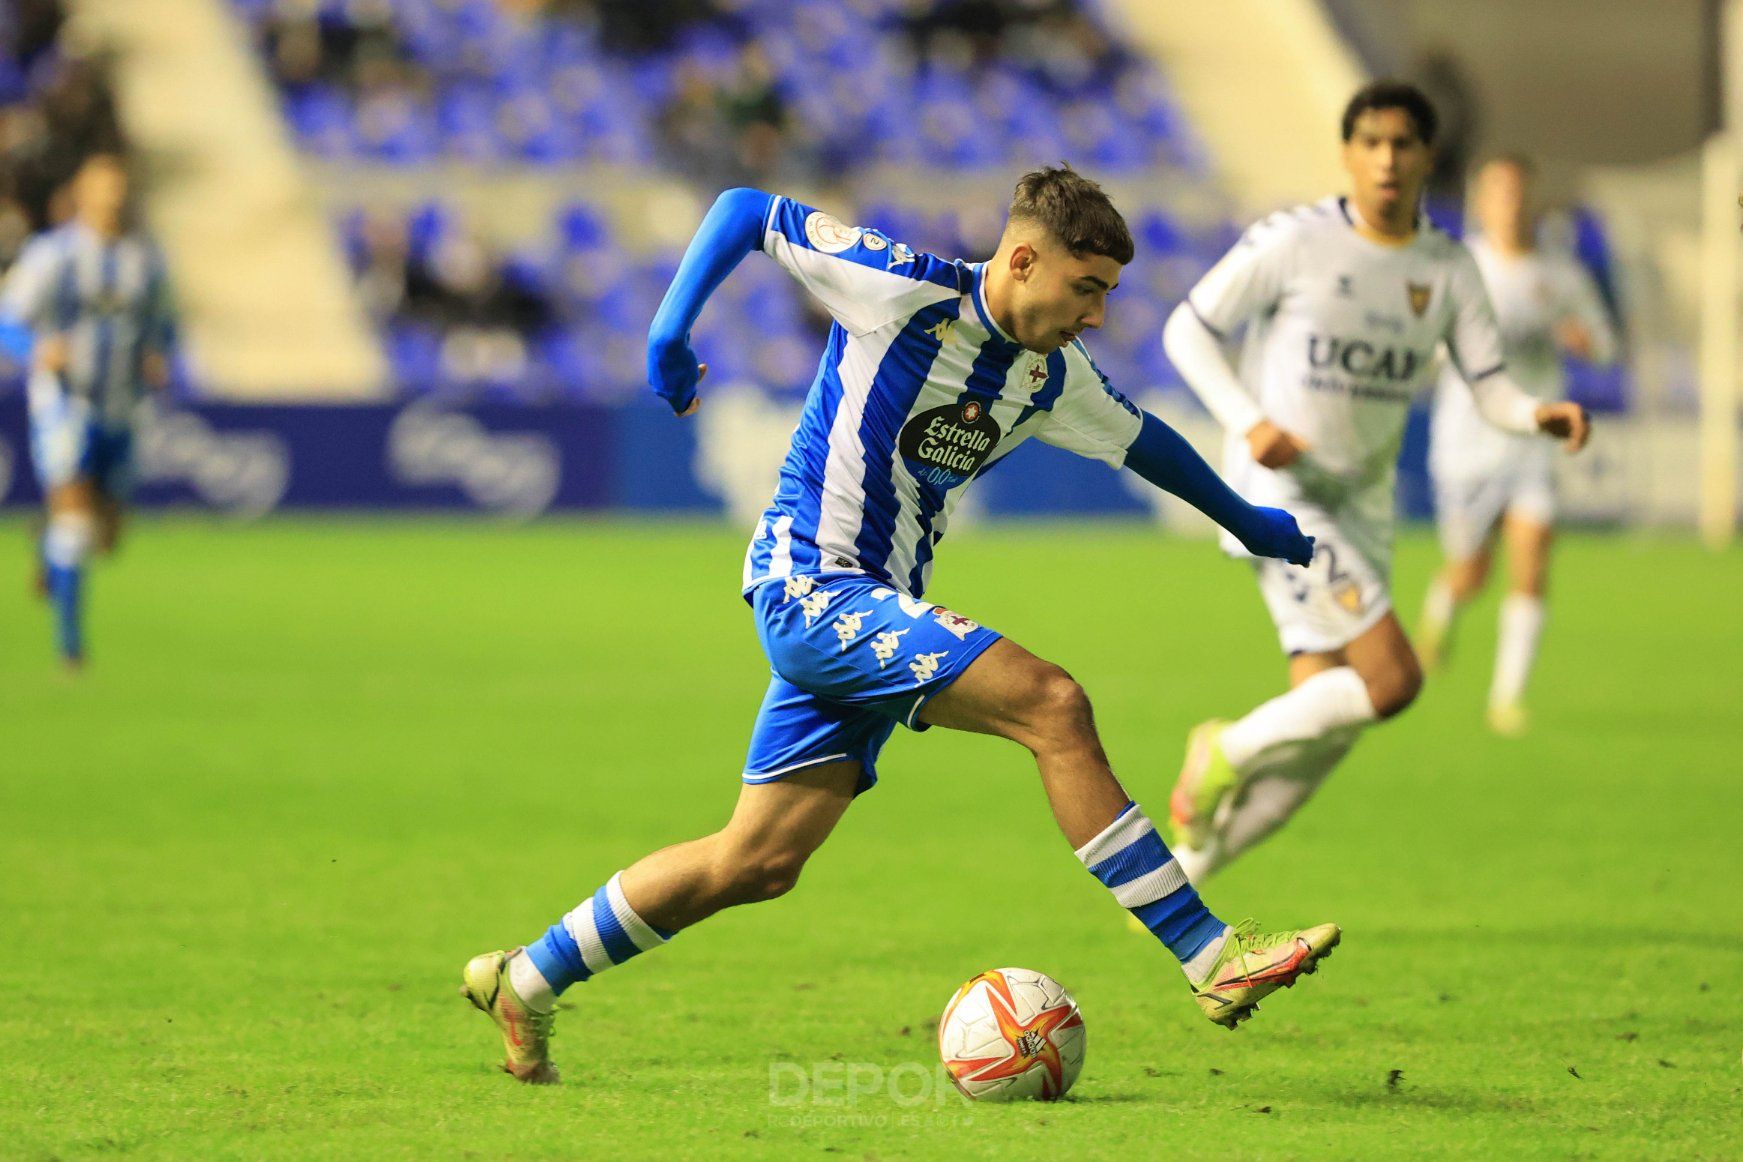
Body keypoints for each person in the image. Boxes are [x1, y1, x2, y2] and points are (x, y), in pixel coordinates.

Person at [461, 166, 1341, 1085]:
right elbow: (743, 213)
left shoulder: (1049, 375)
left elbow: (1143, 438)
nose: (1095, 314)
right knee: (1052, 704)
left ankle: (525, 981)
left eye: (1106, 294)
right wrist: (669, 328)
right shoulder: (905, 290)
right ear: (1024, 259)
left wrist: (1247, 522)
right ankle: (1209, 957)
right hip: (813, 585)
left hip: (873, 611)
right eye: (1086, 289)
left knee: (757, 859)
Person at [1158, 83, 1589, 882]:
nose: (1387, 159)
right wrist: (1248, 419)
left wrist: (1536, 416)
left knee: (1325, 725)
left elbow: (1489, 384)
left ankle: (1184, 875)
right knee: (1391, 681)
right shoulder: (1294, 240)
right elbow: (1187, 328)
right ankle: (1222, 748)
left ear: (1427, 157)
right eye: (1371, 142)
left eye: (1403, 144)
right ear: (1348, 153)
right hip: (1277, 497)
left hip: (1361, 506)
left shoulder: (1446, 266)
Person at [1417, 154, 1617, 735]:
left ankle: (1507, 697)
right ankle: (1442, 605)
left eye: (1517, 193)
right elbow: (1424, 345)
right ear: (1480, 202)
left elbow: (1603, 344)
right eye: (1498, 193)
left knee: (1532, 559)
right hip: (1467, 441)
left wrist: (1583, 342)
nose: (1510, 203)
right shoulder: (1457, 267)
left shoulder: (1561, 276)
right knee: (1472, 572)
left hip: (1534, 437)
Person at [0, 153, 172, 669]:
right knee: (76, 528)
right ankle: (70, 648)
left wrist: (157, 355)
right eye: (102, 189)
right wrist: (36, 350)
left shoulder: (147, 259)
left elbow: (162, 325)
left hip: (122, 404)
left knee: (106, 537)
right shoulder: (54, 255)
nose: (112, 199)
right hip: (65, 402)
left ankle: (47, 545)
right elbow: (7, 322)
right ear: (83, 194)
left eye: (119, 189)